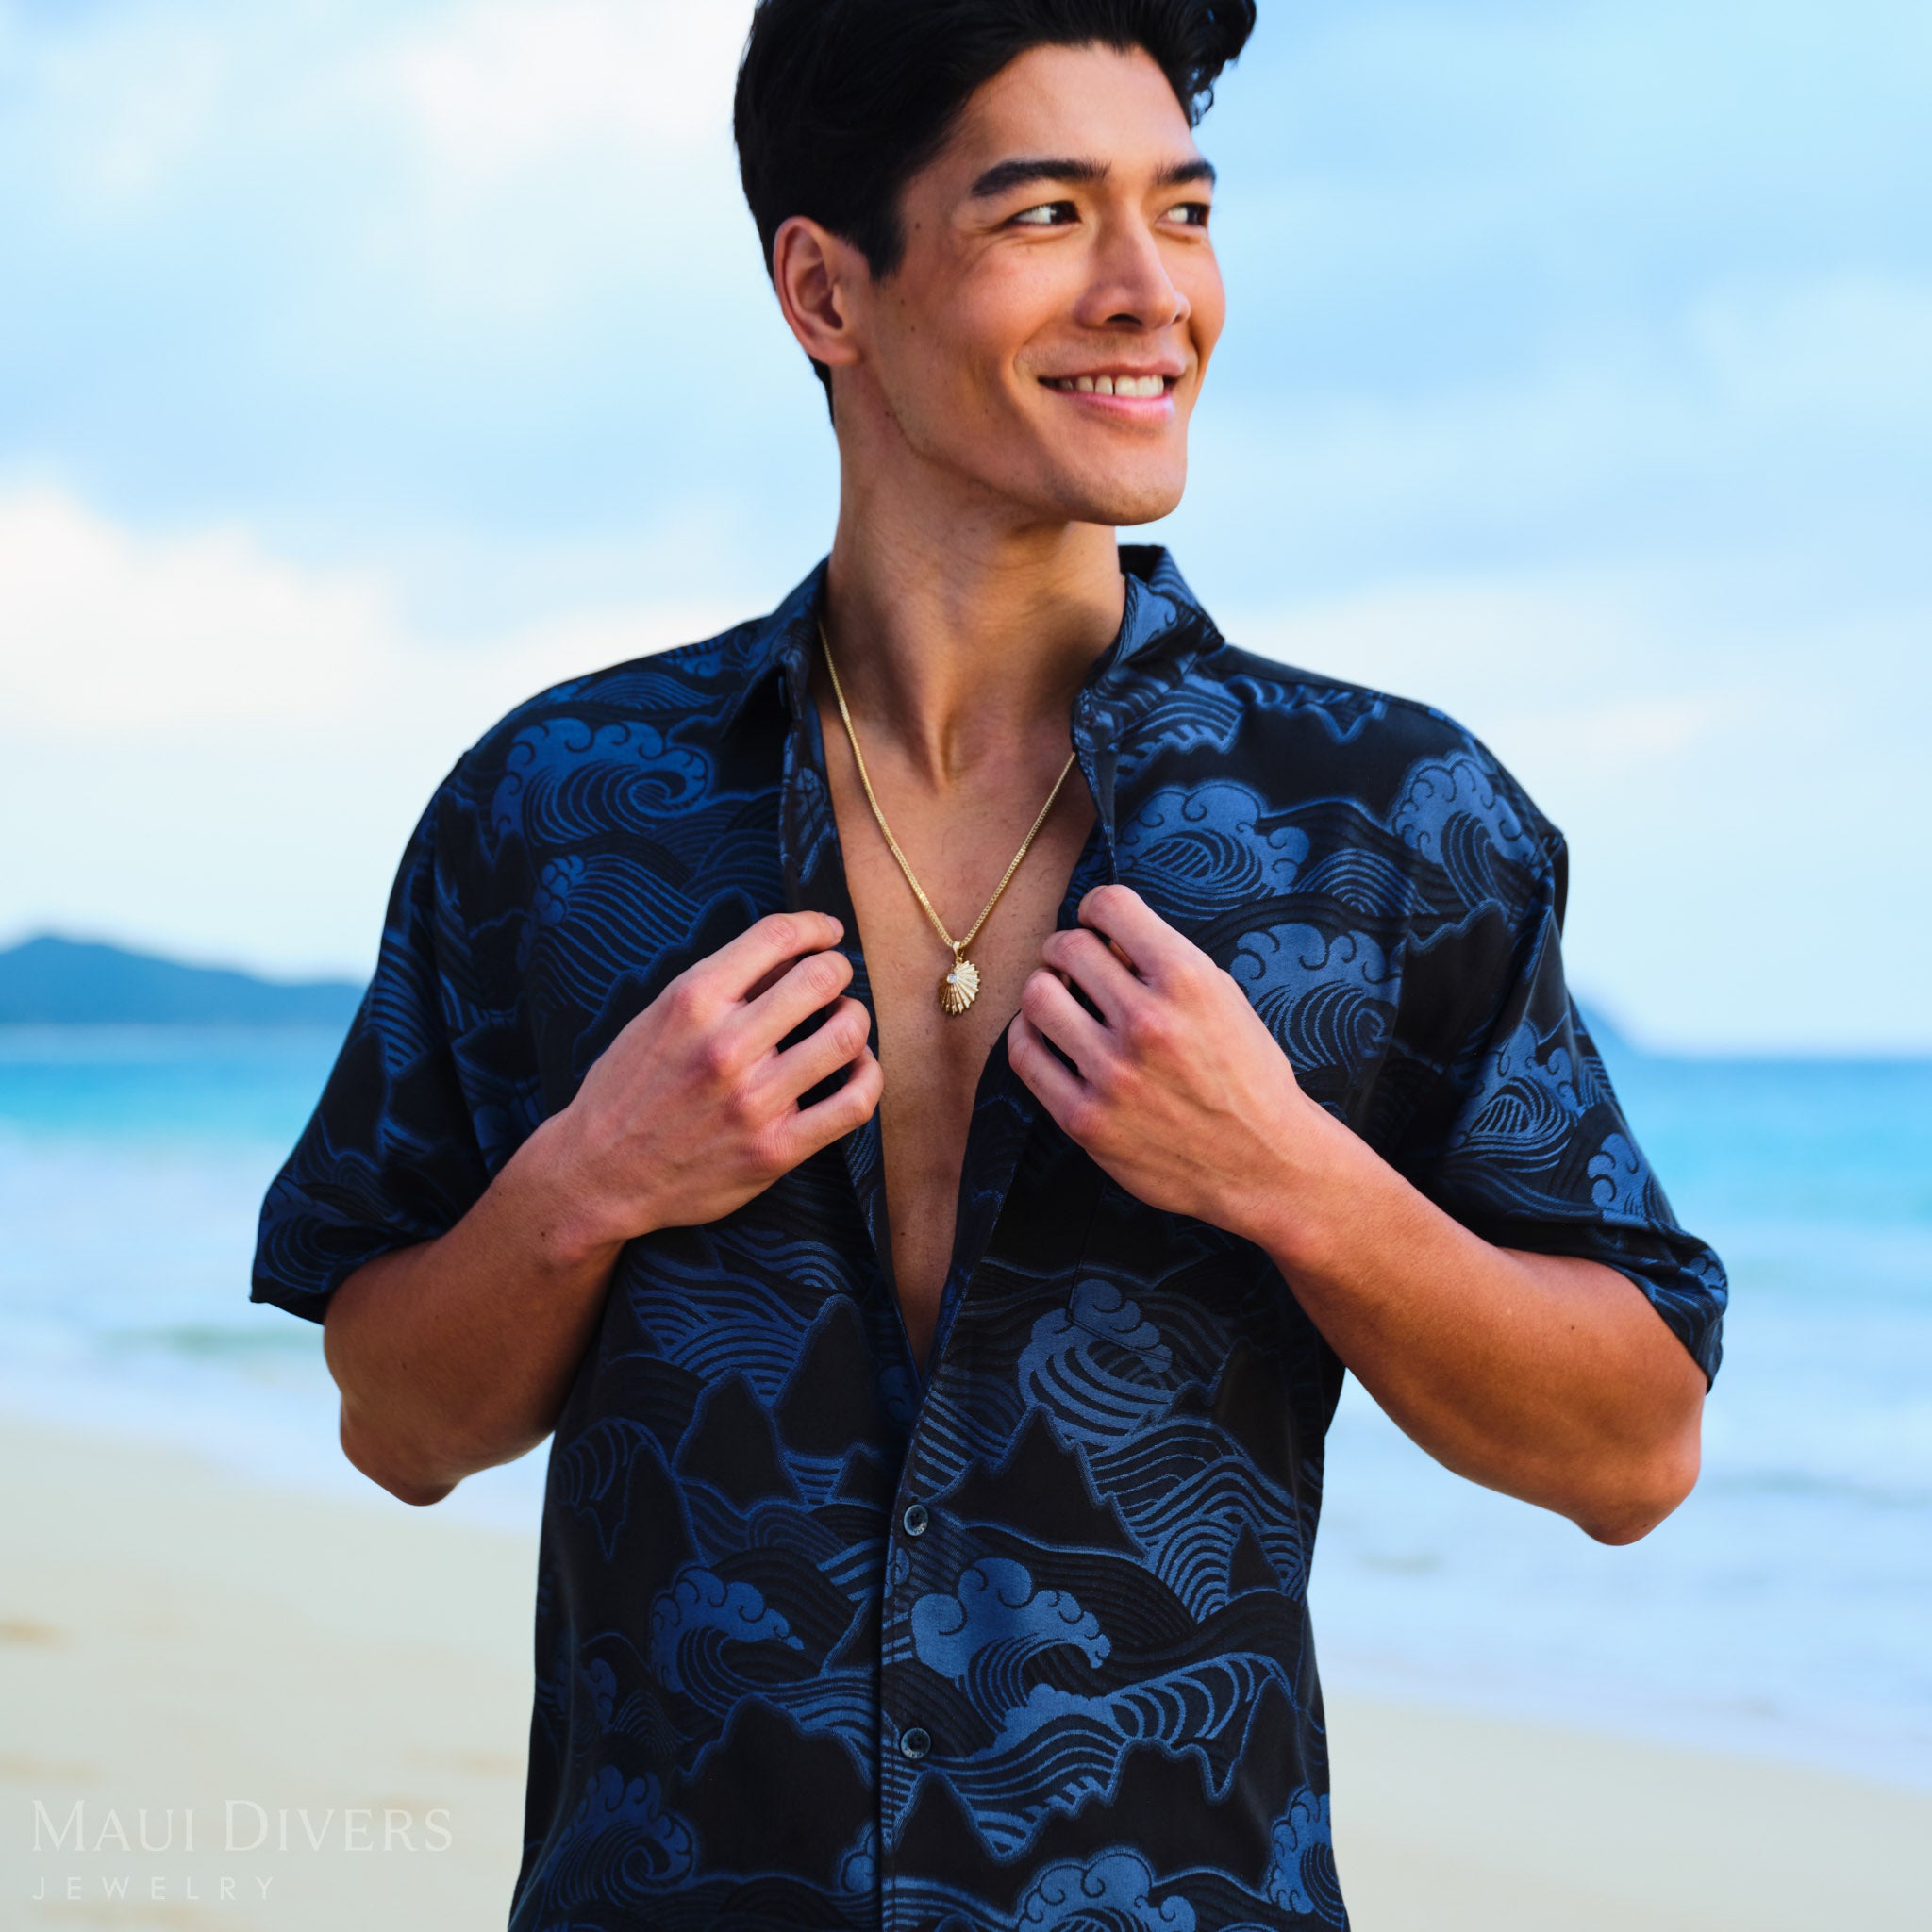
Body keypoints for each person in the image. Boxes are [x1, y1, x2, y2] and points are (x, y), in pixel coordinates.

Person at [250, 2, 1727, 1925]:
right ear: (825, 289)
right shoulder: (557, 810)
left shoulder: (1390, 823)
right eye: (1045, 215)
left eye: (1182, 214)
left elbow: (1632, 1448)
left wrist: (1290, 1178)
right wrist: (589, 1182)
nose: (1150, 294)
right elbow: (401, 1422)